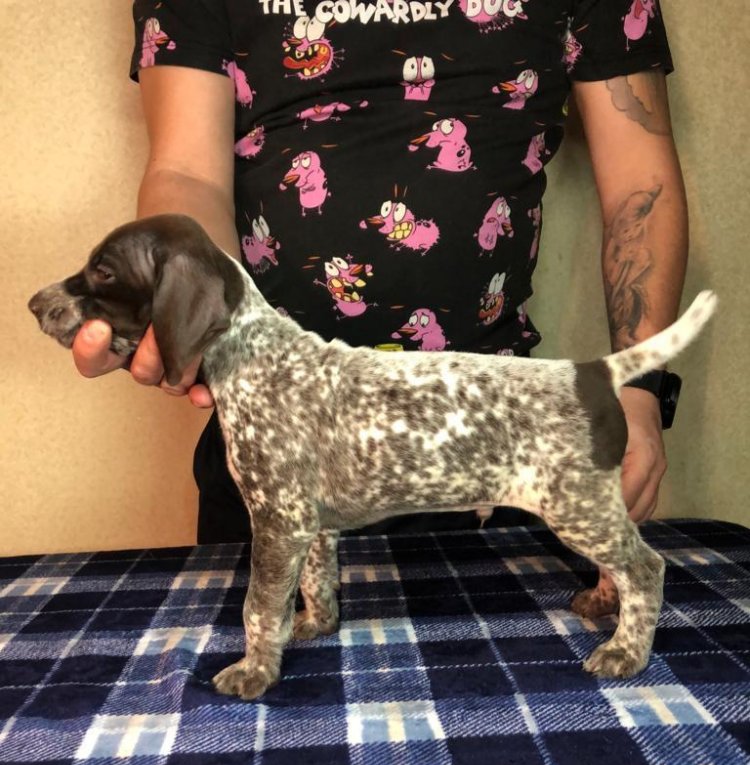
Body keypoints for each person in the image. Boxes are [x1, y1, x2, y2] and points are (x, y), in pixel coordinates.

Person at [73, 0, 687, 543]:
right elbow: (186, 172)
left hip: (488, 437)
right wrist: (182, 299)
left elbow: (639, 180)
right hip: (275, 427)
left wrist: (640, 389)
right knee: (267, 634)